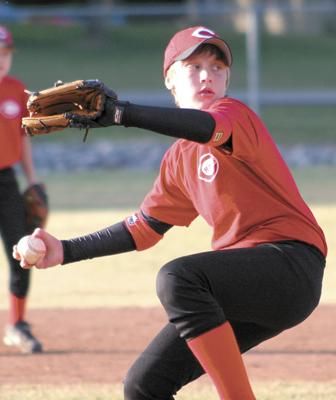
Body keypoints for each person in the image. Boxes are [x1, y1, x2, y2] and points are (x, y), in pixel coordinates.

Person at [14, 26, 327, 399]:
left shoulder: (234, 115)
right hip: (245, 285)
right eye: (193, 66)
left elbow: (207, 127)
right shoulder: (179, 159)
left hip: (291, 264)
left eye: (217, 67)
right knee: (145, 385)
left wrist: (121, 114)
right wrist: (64, 250)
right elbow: (143, 228)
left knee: (179, 278)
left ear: (228, 78)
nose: (207, 74)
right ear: (170, 79)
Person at [0, 25, 43, 353]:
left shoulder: (17, 91)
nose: (1, 60)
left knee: (21, 251)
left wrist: (32, 181)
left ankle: (17, 324)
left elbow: (24, 139)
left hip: (7, 180)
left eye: (5, 54)